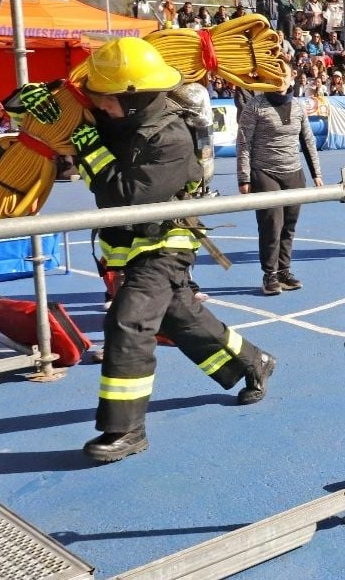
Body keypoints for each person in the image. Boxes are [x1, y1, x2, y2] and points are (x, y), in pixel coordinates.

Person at [61, 37, 277, 462]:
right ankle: (255, 362)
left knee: (129, 322)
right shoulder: (116, 121)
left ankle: (126, 430)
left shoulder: (171, 137)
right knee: (181, 318)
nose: (100, 107)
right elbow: (78, 145)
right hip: (133, 244)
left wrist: (88, 147)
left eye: (106, 101)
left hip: (164, 244)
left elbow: (125, 198)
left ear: (135, 99)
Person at [236, 72, 323, 295]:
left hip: (293, 172)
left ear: (291, 78)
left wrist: (316, 173)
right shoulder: (255, 106)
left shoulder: (297, 106)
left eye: (282, 75)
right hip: (264, 172)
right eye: (272, 75)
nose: (278, 80)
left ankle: (284, 270)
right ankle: (270, 274)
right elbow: (244, 142)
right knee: (271, 224)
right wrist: (244, 177)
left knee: (289, 225)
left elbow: (307, 140)